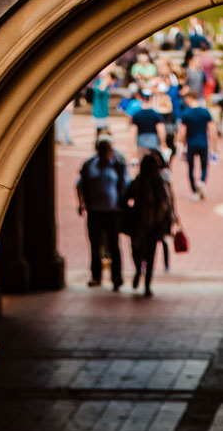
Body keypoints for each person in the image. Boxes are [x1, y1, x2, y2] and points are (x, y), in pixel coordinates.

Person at [75, 136, 127, 290]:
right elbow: (79, 185)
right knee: (95, 244)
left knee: (114, 245)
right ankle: (96, 275)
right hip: (95, 212)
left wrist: (122, 205)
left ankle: (116, 276)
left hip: (112, 212)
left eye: (107, 151)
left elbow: (124, 185)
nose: (105, 154)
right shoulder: (89, 166)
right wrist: (82, 203)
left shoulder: (117, 166)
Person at [123, 152, 175, 296]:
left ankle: (144, 279)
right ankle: (142, 276)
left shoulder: (151, 182)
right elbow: (166, 204)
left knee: (141, 251)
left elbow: (124, 200)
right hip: (147, 224)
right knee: (145, 253)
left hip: (146, 224)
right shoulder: (143, 182)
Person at [179, 88, 215, 198]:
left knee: (190, 167)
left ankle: (194, 191)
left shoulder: (186, 113)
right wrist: (215, 146)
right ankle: (202, 181)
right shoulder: (205, 112)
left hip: (191, 143)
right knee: (204, 166)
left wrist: (182, 144)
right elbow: (212, 129)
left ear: (189, 98)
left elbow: (182, 132)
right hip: (203, 143)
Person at [130, 87, 165, 155]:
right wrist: (163, 142)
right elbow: (161, 129)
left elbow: (133, 131)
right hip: (153, 141)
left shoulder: (137, 115)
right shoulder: (155, 114)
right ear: (151, 98)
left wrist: (132, 146)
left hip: (141, 142)